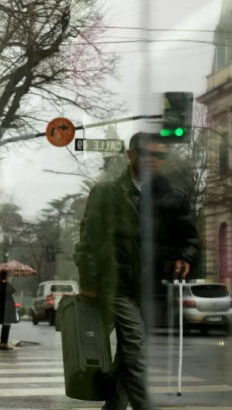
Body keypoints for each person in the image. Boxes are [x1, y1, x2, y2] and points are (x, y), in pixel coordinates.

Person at [76, 132, 199, 410]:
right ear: (131, 154)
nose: (153, 160)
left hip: (153, 288)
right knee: (136, 347)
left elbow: (189, 240)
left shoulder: (174, 198)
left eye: (159, 155)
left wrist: (184, 258)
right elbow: (88, 241)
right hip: (117, 284)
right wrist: (88, 280)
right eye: (146, 153)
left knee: (128, 355)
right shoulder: (106, 192)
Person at [0, 270, 18, 351]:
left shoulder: (0, 284)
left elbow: (13, 290)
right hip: (6, 308)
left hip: (6, 308)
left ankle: (3, 342)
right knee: (6, 326)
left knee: (6, 326)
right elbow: (11, 291)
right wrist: (6, 283)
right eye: (7, 276)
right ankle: (3, 343)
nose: (8, 277)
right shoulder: (2, 285)